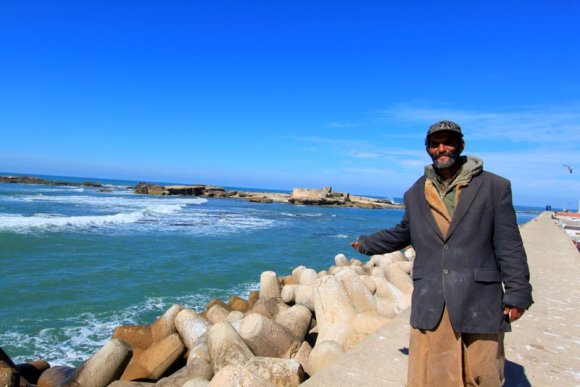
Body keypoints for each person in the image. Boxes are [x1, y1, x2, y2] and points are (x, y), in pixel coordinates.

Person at [351, 120, 533, 386]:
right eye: (435, 144)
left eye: (448, 142)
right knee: (433, 376)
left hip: (479, 297)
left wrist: (518, 293)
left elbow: (509, 243)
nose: (442, 148)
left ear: (461, 145)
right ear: (428, 149)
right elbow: (404, 231)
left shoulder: (494, 187)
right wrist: (367, 244)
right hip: (432, 298)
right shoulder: (415, 192)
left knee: (482, 373)